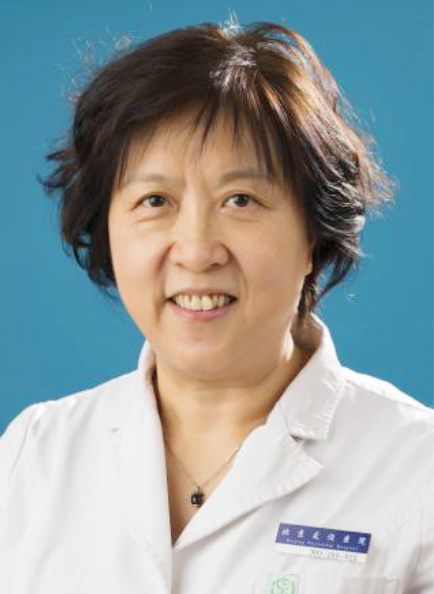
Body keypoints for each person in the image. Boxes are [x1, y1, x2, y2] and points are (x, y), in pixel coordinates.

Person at [0, 18, 433, 594]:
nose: (197, 250)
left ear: (313, 233)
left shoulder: (417, 468)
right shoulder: (33, 456)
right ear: (106, 229)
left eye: (241, 199)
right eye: (155, 200)